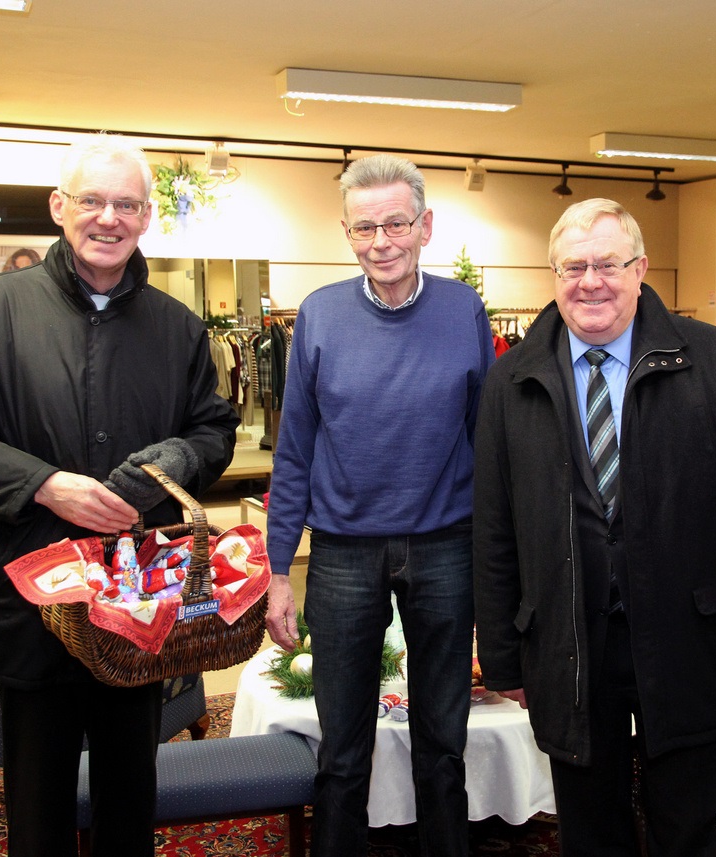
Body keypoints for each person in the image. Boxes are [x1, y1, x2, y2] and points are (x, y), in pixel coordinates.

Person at [0, 133, 240, 857]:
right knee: (39, 803)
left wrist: (174, 456)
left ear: (147, 217)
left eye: (126, 204)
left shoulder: (178, 329)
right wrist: (43, 485)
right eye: (92, 200)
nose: (108, 217)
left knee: (128, 795)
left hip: (138, 604)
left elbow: (212, 431)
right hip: (32, 600)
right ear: (59, 207)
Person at [473, 198, 716, 856]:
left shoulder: (713, 361)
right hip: (568, 641)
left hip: (693, 635)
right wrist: (502, 656)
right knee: (591, 833)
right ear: (552, 274)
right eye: (573, 266)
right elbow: (495, 528)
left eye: (607, 263)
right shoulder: (511, 380)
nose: (590, 281)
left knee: (693, 829)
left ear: (639, 269)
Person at [263, 153, 495, 857]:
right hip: (342, 554)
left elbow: (489, 443)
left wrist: (498, 564)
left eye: (396, 222)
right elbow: (295, 448)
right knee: (342, 749)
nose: (381, 240)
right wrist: (278, 570)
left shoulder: (464, 311)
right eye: (364, 226)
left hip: (447, 546)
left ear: (426, 226)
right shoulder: (320, 315)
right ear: (345, 231)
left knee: (443, 743)